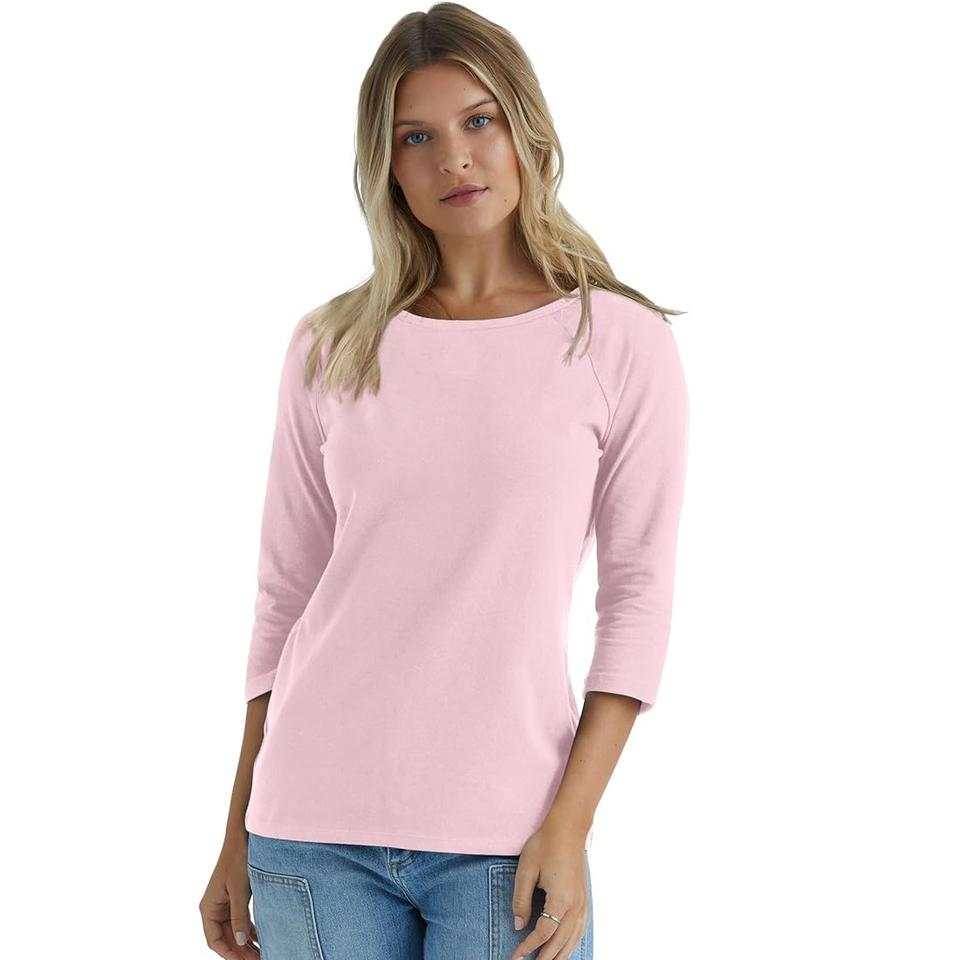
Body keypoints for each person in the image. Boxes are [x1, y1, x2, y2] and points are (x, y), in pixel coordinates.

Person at [199, 3, 690, 959]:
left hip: (510, 839)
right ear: (385, 165)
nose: (454, 160)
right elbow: (285, 597)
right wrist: (234, 831)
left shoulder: (617, 342)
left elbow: (637, 601)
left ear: (526, 128)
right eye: (414, 137)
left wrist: (571, 825)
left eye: (478, 121)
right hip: (308, 831)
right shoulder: (332, 344)